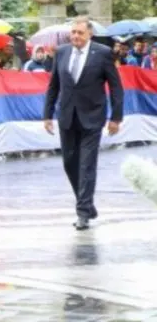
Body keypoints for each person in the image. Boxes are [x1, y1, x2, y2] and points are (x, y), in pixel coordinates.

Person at [43, 16, 123, 231]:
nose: (76, 36)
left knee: (87, 164)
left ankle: (82, 212)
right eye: (73, 33)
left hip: (93, 117)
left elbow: (116, 87)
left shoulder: (103, 54)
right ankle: (87, 204)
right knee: (70, 163)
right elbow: (54, 86)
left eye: (80, 33)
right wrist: (47, 115)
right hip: (67, 116)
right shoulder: (61, 52)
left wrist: (116, 118)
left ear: (89, 34)